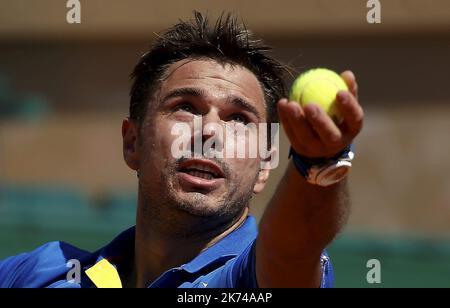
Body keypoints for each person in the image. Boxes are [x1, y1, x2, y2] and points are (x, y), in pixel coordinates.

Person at [0, 12, 363, 288]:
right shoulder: (36, 273)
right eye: (186, 107)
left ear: (267, 160)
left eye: (238, 118)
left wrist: (318, 165)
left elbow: (291, 256)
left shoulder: (244, 281)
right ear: (133, 142)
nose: (209, 131)